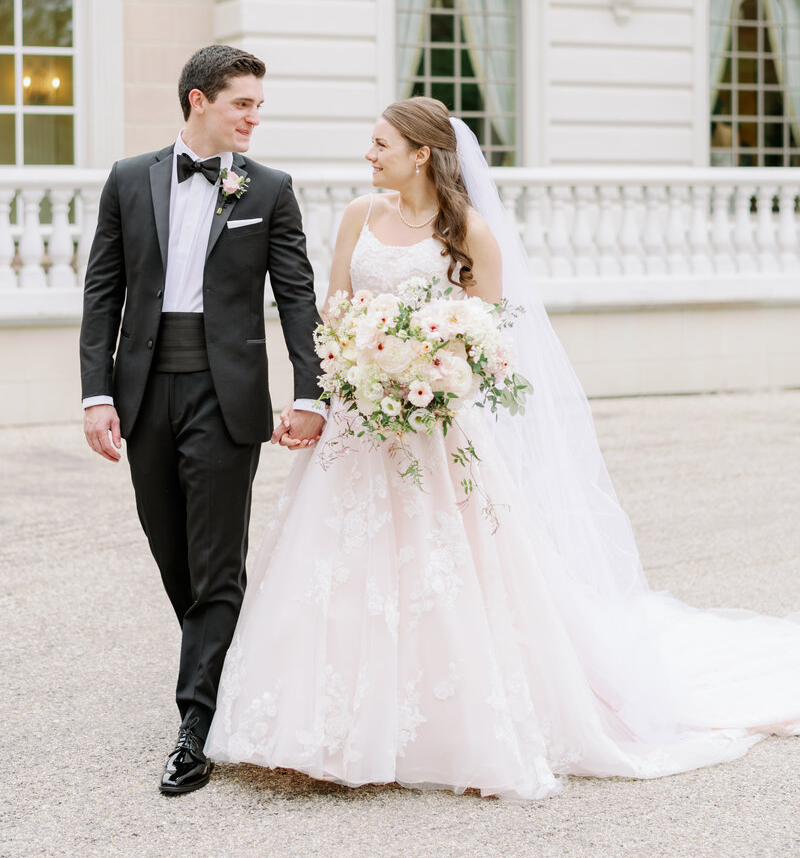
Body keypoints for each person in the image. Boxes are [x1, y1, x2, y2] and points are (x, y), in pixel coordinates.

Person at [206, 95, 800, 799]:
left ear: (420, 153)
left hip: (434, 431)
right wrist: (345, 374)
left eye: (380, 144)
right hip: (358, 428)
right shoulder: (357, 217)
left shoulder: (472, 233)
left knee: (440, 573)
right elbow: (330, 310)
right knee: (333, 571)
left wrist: (426, 364)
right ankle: (317, 732)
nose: (368, 156)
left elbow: (492, 340)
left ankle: (436, 730)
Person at [79, 44, 325, 795]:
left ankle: (197, 725)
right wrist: (96, 395)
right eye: (242, 103)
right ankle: (229, 664)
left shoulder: (271, 189)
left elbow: (297, 297)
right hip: (145, 390)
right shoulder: (129, 179)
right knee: (172, 553)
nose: (254, 117)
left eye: (258, 105)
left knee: (218, 560)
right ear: (198, 100)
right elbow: (103, 293)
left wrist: (311, 392)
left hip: (227, 396)